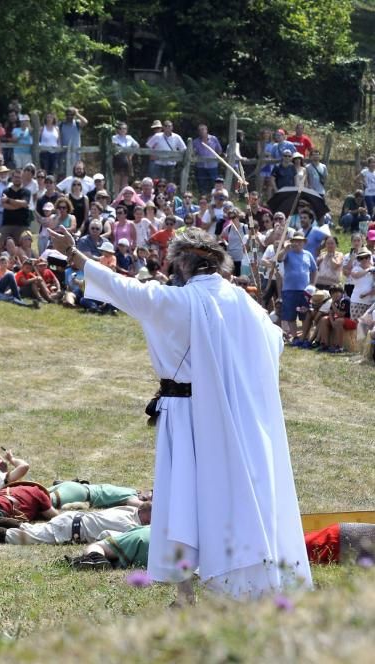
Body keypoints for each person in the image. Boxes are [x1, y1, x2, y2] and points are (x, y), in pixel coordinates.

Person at [48, 224, 312, 601]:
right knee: (231, 495)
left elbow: (126, 290)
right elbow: (275, 341)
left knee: (181, 504)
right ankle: (231, 583)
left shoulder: (179, 300)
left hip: (187, 416)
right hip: (234, 418)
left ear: (183, 264)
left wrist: (75, 255)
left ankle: (187, 595)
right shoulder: (245, 304)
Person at [0, 502, 151, 545]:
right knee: (20, 536)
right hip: (70, 529)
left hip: (70, 518)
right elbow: (107, 537)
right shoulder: (131, 526)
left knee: (29, 528)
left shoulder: (129, 510)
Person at [277, 231, 318, 344]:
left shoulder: (308, 254)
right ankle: (295, 337)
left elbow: (314, 270)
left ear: (304, 242)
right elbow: (279, 259)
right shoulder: (288, 253)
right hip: (289, 289)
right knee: (291, 315)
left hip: (305, 290)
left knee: (305, 315)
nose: (298, 243)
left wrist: (313, 284)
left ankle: (305, 337)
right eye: (296, 241)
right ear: (292, 242)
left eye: (300, 241)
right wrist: (285, 248)